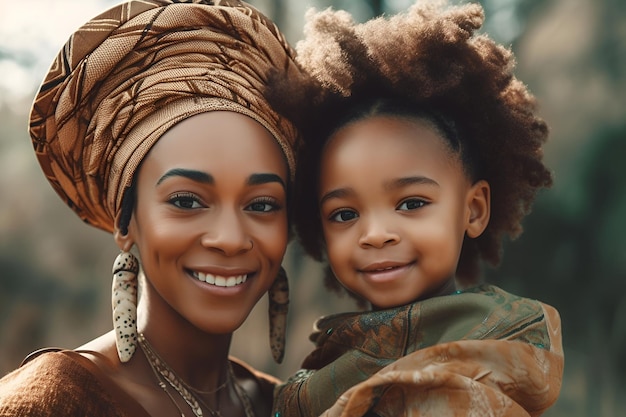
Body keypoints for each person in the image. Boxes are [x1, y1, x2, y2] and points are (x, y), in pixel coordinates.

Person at [0, 1, 304, 416]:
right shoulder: (51, 401)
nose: (231, 239)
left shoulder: (292, 405)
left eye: (263, 204)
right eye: (186, 201)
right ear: (126, 221)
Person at [267, 1, 564, 416]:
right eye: (345, 214)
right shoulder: (329, 369)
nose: (375, 233)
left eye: (411, 203)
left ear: (473, 209)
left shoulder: (484, 368)